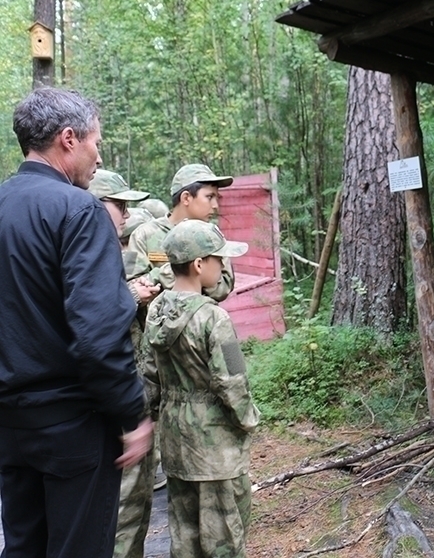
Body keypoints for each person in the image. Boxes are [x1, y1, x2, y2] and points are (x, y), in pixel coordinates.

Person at [0, 87, 153, 558]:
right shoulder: (78, 210)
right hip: (73, 423)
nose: (98, 155)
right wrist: (132, 413)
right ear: (69, 139)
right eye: (97, 142)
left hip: (10, 425)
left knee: (23, 547)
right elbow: (99, 333)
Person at [143, 219, 260, 558]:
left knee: (185, 535)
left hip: (176, 439)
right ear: (198, 265)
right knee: (224, 536)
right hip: (216, 448)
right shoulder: (214, 319)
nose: (222, 266)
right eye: (218, 259)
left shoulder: (156, 311)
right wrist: (248, 419)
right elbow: (233, 378)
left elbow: (150, 375)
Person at [88, 169, 162, 558]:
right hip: (109, 399)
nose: (128, 216)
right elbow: (86, 324)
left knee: (132, 501)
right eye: (120, 206)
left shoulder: (129, 253)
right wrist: (129, 295)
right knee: (119, 504)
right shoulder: (85, 257)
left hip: (129, 391)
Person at [127, 163, 235, 299]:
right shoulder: (142, 235)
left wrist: (161, 276)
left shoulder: (213, 236)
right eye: (209, 197)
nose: (215, 206)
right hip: (154, 319)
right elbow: (130, 286)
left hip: (201, 319)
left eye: (216, 198)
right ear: (186, 198)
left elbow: (224, 287)